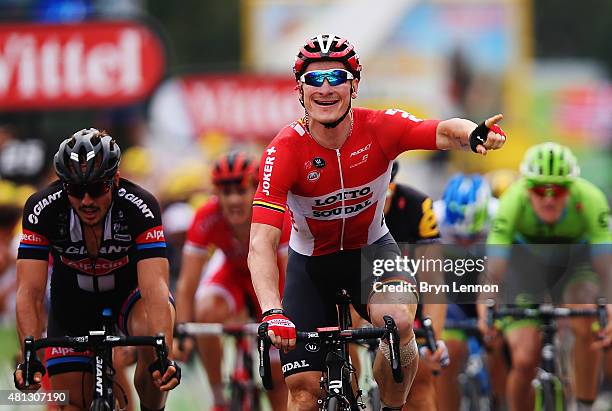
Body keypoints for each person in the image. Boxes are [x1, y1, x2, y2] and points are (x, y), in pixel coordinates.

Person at [248, 33, 506, 411]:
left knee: (400, 321)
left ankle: (391, 407)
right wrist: (272, 312)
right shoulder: (284, 150)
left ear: (354, 85)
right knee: (303, 394)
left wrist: (474, 133)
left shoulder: (379, 128)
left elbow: (442, 130)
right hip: (311, 267)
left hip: (371, 252)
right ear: (299, 90)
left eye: (335, 78)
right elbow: (261, 244)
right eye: (314, 79)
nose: (325, 89)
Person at [14, 129, 180, 411]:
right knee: (69, 403)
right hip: (72, 302)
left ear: (114, 180)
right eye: (76, 190)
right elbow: (29, 291)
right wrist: (29, 355)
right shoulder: (42, 209)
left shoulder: (140, 206)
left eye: (97, 188)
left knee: (153, 351)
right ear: (63, 185)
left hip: (130, 295)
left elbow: (155, 289)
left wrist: (163, 353)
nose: (87, 201)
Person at [481, 142, 612, 411]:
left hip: (575, 265)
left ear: (572, 188)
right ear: (527, 187)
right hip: (525, 269)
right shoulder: (512, 201)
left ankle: (585, 405)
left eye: (559, 189)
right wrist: (486, 306)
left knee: (587, 318)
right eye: (540, 189)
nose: (549, 198)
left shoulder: (590, 199)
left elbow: (605, 264)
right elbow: (494, 266)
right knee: (525, 358)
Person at [173, 151, 289, 411]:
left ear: (255, 189)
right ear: (216, 194)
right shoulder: (207, 215)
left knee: (277, 382)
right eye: (226, 193)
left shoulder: (275, 211)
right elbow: (187, 284)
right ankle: (218, 397)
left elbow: (289, 274)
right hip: (232, 276)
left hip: (272, 281)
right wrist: (181, 330)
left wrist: (282, 319)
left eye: (240, 190)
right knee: (206, 311)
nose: (234, 200)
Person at [433, 173, 507, 411]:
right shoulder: (433, 217)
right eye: (457, 237)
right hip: (451, 289)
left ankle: (502, 399)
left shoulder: (501, 215)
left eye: (474, 236)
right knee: (447, 356)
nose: (465, 243)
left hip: (494, 282)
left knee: (500, 341)